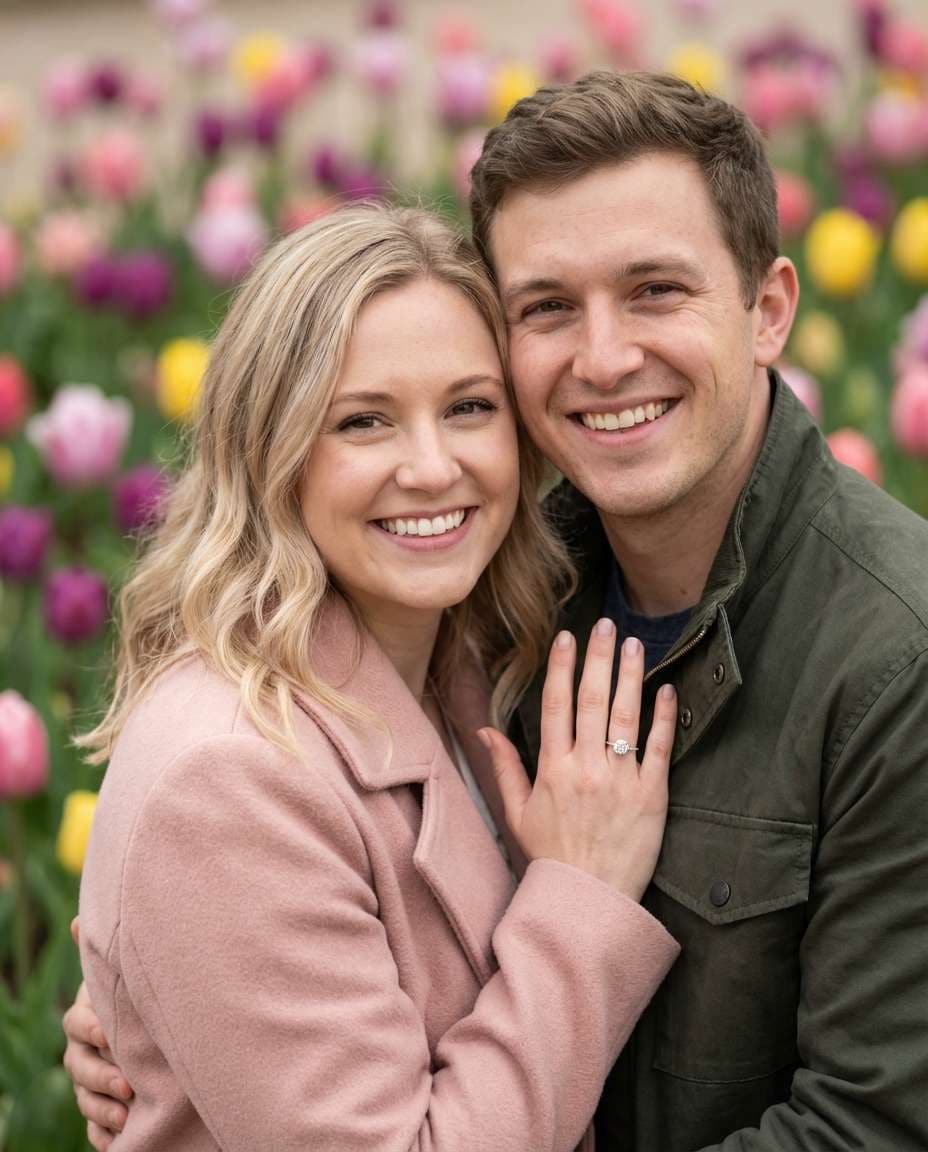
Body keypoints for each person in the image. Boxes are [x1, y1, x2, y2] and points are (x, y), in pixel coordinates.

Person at [67, 69, 928, 1149]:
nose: (605, 357)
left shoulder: (889, 655)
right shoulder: (511, 608)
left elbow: (872, 1128)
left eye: (655, 290)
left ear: (767, 309)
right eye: (549, 308)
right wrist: (180, 1003)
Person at [66, 201, 680, 1152]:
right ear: (269, 451)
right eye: (364, 422)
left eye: (470, 407)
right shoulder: (229, 782)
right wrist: (580, 893)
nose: (433, 467)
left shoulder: (469, 660)